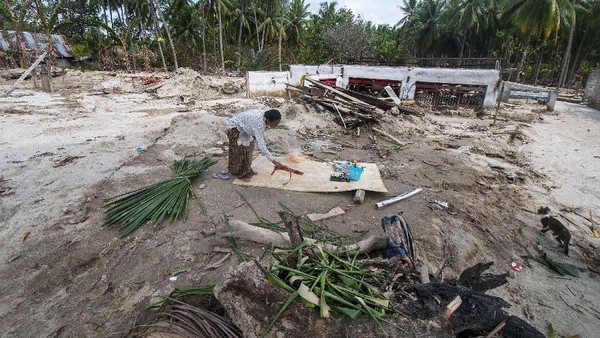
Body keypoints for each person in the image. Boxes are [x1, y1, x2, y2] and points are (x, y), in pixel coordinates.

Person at [214, 108, 283, 180]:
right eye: (276, 123)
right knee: (237, 152)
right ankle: (233, 172)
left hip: (244, 129)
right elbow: (261, 145)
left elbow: (253, 130)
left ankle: (246, 171)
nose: (277, 125)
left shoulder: (265, 116)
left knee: (249, 149)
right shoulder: (259, 124)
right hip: (234, 128)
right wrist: (273, 161)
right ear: (269, 120)